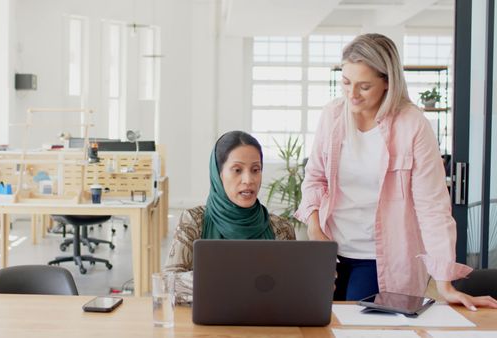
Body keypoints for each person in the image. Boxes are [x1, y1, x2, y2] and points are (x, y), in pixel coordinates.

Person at [295, 33, 497, 310]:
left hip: (381, 259)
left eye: (364, 86)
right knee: (320, 324)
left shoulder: (413, 125)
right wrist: (316, 231)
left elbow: (433, 207)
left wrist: (444, 283)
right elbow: (315, 178)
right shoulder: (332, 115)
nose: (352, 94)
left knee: (360, 326)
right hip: (330, 252)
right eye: (346, 82)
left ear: (387, 82)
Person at [164, 131, 295, 304]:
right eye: (237, 170)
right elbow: (169, 284)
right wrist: (234, 277)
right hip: (210, 326)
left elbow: (292, 290)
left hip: (265, 323)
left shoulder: (281, 228)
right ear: (218, 174)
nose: (248, 180)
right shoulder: (194, 221)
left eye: (255, 170)